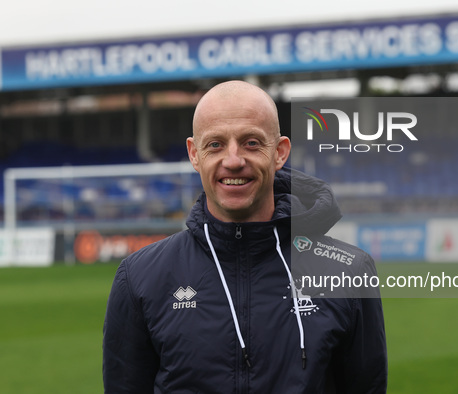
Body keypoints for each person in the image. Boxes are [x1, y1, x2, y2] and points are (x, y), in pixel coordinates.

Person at [103, 80, 387, 393]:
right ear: (194, 154)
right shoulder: (140, 277)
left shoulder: (349, 272)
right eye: (215, 145)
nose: (233, 160)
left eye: (251, 143)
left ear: (279, 153)